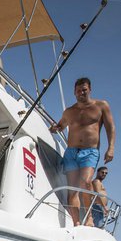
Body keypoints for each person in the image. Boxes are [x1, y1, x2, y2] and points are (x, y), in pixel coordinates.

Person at [50, 77, 115, 227]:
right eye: (78, 90)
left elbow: (110, 127)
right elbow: (60, 126)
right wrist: (54, 129)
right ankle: (76, 223)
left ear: (90, 90)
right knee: (72, 189)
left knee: (86, 182)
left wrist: (110, 148)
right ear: (74, 92)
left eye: (84, 90)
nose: (81, 93)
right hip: (71, 152)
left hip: (90, 151)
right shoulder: (69, 111)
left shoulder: (101, 106)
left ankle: (89, 218)